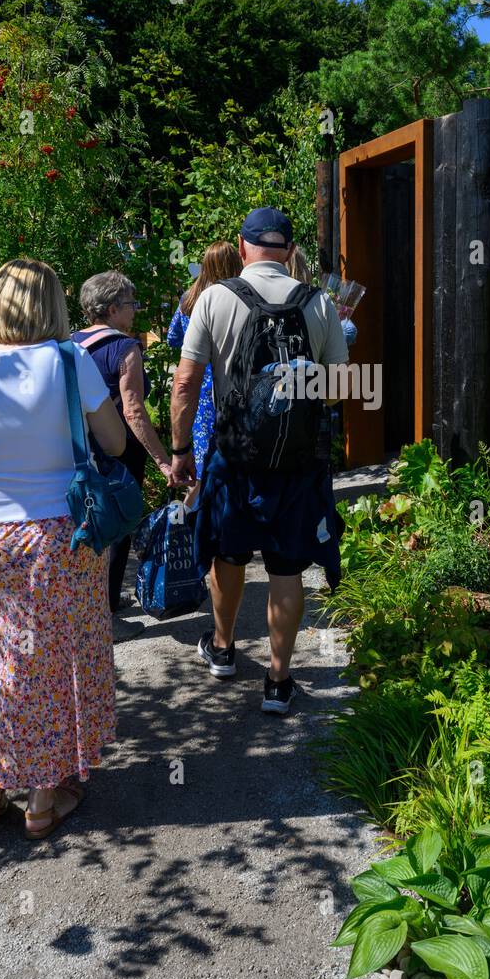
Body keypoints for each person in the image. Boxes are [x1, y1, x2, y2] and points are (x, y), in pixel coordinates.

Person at [0, 258, 127, 839]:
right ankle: (43, 797)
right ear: (52, 306)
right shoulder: (67, 362)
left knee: (6, 652)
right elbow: (114, 443)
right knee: (58, 657)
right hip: (56, 529)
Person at [169, 207, 349, 714]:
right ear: (290, 251)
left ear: (242, 248)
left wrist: (181, 451)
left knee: (228, 556)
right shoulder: (319, 304)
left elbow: (185, 383)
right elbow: (337, 391)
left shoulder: (214, 299)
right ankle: (278, 680)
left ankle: (223, 650)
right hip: (297, 463)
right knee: (286, 567)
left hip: (234, 459)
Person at [73, 271, 173, 641]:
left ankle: (100, 602)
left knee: (88, 525)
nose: (135, 311)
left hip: (81, 450)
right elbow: (134, 411)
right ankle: (108, 616)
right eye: (131, 304)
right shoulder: (125, 348)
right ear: (112, 308)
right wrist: (163, 460)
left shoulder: (69, 344)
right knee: (118, 526)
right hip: (118, 448)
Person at [166, 241, 242, 503]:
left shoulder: (189, 299)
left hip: (197, 386)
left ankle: (194, 520)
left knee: (200, 464)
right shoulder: (240, 298)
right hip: (230, 385)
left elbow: (172, 337)